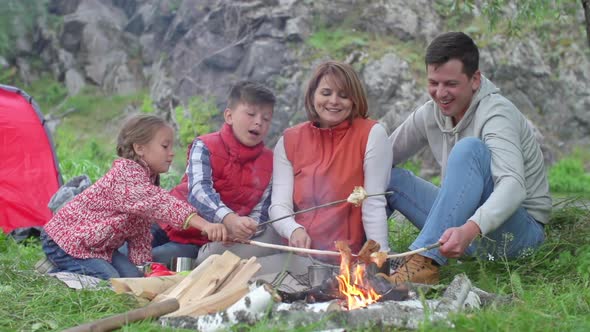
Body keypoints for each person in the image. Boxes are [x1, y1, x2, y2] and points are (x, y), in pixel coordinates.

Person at [382, 32, 551, 284]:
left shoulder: (497, 114)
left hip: (516, 237)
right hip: (463, 237)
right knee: (387, 178)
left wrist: (469, 230)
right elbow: (381, 157)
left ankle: (424, 264)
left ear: (475, 79)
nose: (440, 93)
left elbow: (513, 187)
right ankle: (360, 256)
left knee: (469, 149)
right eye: (433, 83)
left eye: (450, 84)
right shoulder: (431, 114)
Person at [41, 115, 227, 280]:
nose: (171, 153)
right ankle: (55, 272)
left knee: (133, 279)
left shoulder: (147, 180)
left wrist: (144, 268)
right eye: (164, 146)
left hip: (97, 246)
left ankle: (79, 268)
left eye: (171, 146)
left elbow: (140, 233)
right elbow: (161, 203)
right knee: (111, 280)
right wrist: (205, 224)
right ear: (139, 148)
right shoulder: (127, 176)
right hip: (65, 241)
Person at [260, 60, 392, 276]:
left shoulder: (371, 134)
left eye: (343, 95)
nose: (333, 101)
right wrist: (294, 229)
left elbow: (374, 203)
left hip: (337, 257)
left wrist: (381, 262)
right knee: (215, 259)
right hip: (294, 248)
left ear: (354, 99)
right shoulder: (290, 140)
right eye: (326, 93)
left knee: (248, 278)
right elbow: (279, 206)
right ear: (313, 95)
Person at [152, 80, 281, 265]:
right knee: (131, 251)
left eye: (266, 118)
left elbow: (261, 211)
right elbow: (199, 191)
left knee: (157, 260)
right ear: (229, 116)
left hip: (204, 241)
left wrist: (244, 229)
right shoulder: (205, 145)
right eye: (251, 114)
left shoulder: (271, 162)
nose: (258, 122)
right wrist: (229, 218)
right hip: (170, 223)